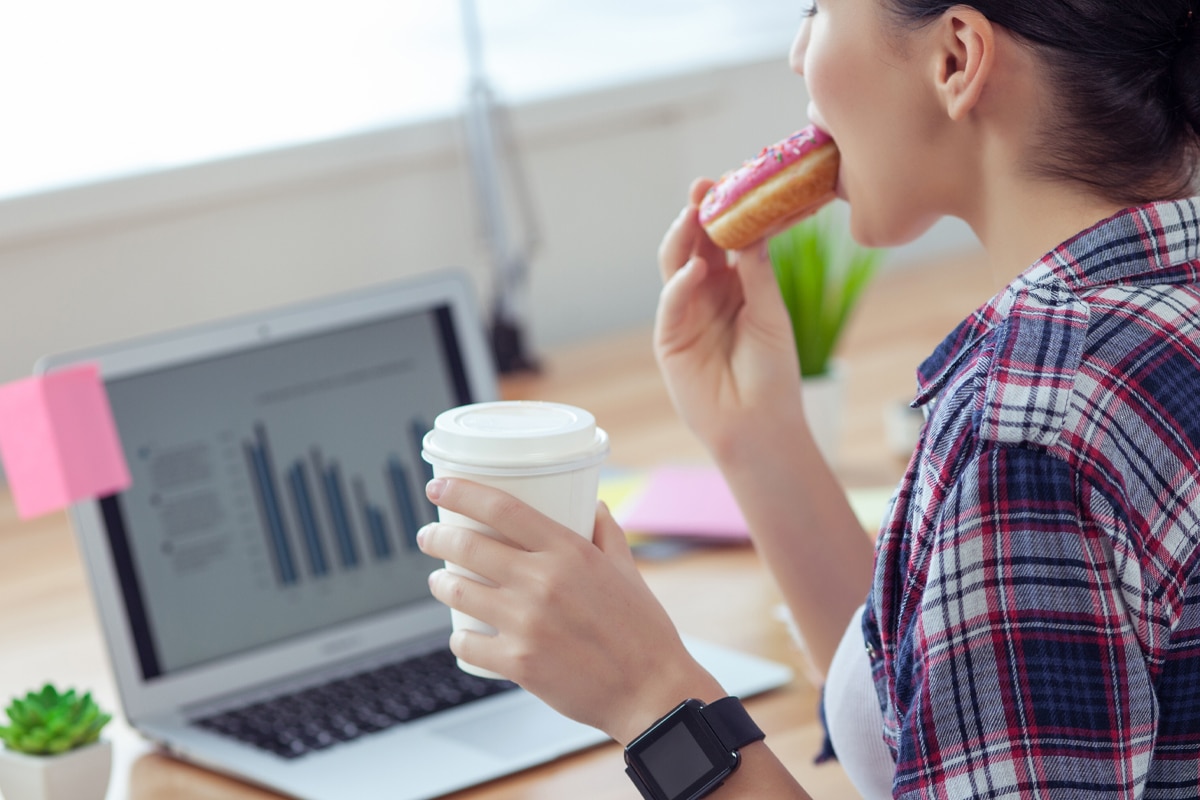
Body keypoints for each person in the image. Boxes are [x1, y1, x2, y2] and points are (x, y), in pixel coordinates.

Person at [416, 0, 1200, 796]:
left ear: (957, 58)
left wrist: (647, 691)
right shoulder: (1145, 328)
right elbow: (935, 713)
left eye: (818, 9)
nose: (797, 53)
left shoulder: (1027, 430)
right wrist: (758, 440)